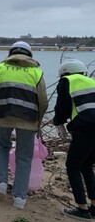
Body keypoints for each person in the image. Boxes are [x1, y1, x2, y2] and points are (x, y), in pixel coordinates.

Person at [0, 41, 47, 210]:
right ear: (29, 55)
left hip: (4, 116)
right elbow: (42, 101)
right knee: (24, 157)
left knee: (2, 145)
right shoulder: (36, 72)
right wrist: (39, 122)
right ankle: (19, 198)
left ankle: (0, 182)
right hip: (28, 119)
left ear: (11, 53)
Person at [53, 59, 95, 220]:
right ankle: (94, 207)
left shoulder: (67, 81)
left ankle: (82, 209)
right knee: (87, 166)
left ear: (64, 72)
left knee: (72, 166)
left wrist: (59, 123)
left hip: (85, 129)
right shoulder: (92, 81)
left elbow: (62, 107)